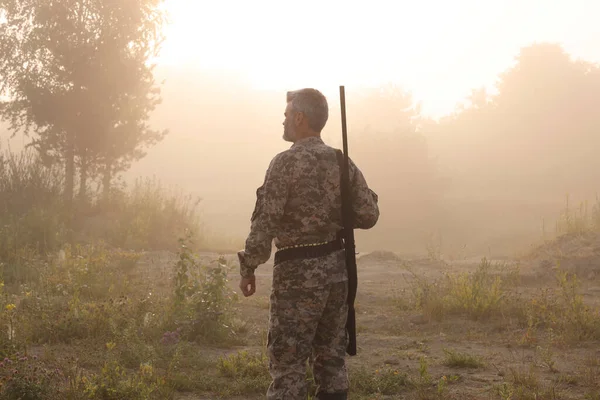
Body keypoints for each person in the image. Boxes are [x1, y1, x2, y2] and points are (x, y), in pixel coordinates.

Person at [237, 88, 379, 400]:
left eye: (287, 115)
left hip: (296, 276)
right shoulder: (341, 162)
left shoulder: (285, 164)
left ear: (299, 118)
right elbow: (368, 214)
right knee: (331, 360)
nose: (283, 120)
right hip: (337, 274)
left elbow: (265, 222)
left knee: (288, 362)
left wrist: (248, 266)